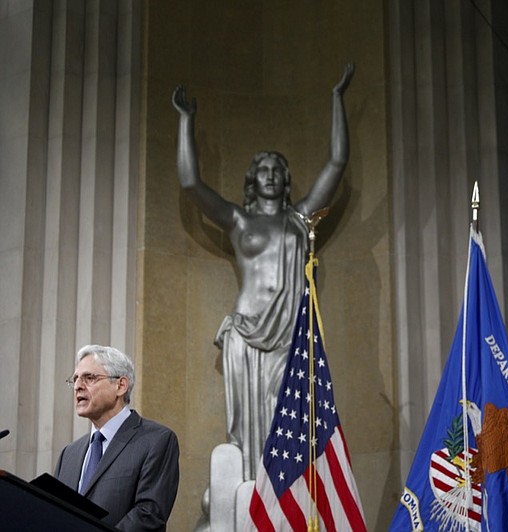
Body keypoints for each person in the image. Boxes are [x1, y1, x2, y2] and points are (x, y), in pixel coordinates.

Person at [171, 62, 354, 481]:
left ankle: (283, 496)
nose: (270, 175)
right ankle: (250, 495)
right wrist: (186, 121)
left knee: (285, 417)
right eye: (263, 169)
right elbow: (190, 185)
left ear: (286, 179)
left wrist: (336, 99)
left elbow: (337, 162)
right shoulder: (238, 221)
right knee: (245, 430)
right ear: (252, 179)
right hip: (246, 333)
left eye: (277, 169)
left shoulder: (301, 217)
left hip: (289, 329)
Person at [54, 344, 180, 531]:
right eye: (75, 380)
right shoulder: (69, 454)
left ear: (120, 385)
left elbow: (149, 514)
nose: (78, 386)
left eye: (89, 378)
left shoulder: (156, 440)